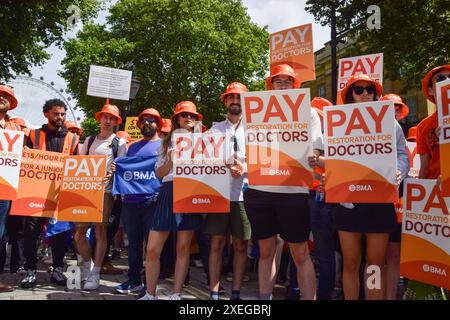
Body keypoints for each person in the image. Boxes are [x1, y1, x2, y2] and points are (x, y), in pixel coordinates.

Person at [243, 64, 323, 300]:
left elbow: (317, 146)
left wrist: (315, 156)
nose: (283, 85)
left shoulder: (308, 112)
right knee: (266, 251)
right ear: (271, 85)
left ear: (295, 85)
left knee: (300, 253)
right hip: (260, 189)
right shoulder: (256, 110)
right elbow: (250, 145)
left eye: (288, 81)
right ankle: (264, 301)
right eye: (279, 81)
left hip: (293, 190)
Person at [334, 74, 409, 300]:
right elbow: (333, 155)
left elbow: (401, 153)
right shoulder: (337, 121)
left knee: (375, 264)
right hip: (348, 201)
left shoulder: (390, 122)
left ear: (376, 94)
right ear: (350, 95)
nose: (365, 93)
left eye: (369, 89)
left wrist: (399, 171)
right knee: (350, 263)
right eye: (359, 90)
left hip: (379, 200)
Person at [140, 101, 203, 300]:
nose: (189, 119)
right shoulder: (165, 143)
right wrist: (171, 161)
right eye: (185, 115)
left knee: (183, 248)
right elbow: (159, 173)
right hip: (168, 191)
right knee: (152, 249)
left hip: (190, 191)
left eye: (193, 116)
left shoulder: (204, 142)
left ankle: (176, 294)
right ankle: (150, 294)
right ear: (177, 118)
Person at [20, 99, 79, 288]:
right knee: (31, 232)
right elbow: (24, 158)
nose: (60, 117)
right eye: (56, 114)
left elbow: (78, 165)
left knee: (60, 234)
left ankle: (58, 269)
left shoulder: (73, 138)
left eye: (63, 114)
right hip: (35, 193)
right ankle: (30, 269)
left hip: (60, 194)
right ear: (46, 114)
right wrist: (25, 152)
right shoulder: (34, 135)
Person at [204, 82, 252, 300]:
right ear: (225, 101)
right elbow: (201, 159)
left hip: (244, 195)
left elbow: (267, 158)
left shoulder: (255, 130)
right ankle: (214, 291)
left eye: (239, 98)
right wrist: (220, 163)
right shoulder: (214, 130)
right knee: (217, 243)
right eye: (231, 98)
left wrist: (245, 168)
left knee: (242, 245)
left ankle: (236, 292)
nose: (235, 102)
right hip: (219, 194)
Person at [73, 104, 127, 290]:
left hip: (105, 192)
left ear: (116, 122)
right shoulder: (88, 141)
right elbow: (79, 164)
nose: (108, 121)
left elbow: (122, 168)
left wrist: (115, 170)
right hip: (85, 190)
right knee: (79, 234)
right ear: (100, 118)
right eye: (105, 117)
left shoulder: (119, 143)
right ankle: (87, 266)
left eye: (112, 118)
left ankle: (95, 273)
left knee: (100, 231)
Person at [115, 108, 162, 294]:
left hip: (153, 201)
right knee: (133, 243)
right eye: (143, 121)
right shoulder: (132, 147)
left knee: (151, 246)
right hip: (131, 202)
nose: (147, 124)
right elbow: (126, 170)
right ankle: (133, 279)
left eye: (151, 120)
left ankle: (148, 285)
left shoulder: (164, 145)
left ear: (158, 124)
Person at [0, 85, 20, 293]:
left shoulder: (14, 128)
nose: (3, 98)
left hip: (4, 188)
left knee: (1, 233)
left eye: (6, 96)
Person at [417, 65, 450, 180]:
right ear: (430, 90)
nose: (447, 80)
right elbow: (424, 167)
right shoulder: (423, 126)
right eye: (440, 78)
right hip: (434, 189)